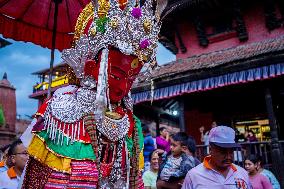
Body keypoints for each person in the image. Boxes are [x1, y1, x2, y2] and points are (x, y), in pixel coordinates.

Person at [18, 0, 167, 188]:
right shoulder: (61, 111)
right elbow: (37, 181)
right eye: (115, 75)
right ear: (91, 67)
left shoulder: (131, 124)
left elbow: (134, 180)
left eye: (131, 79)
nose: (123, 87)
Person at [182, 126, 252, 189]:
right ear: (210, 149)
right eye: (222, 151)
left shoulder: (242, 173)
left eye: (231, 151)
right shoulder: (193, 176)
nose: (228, 156)